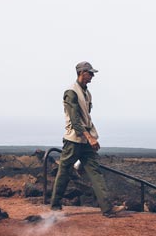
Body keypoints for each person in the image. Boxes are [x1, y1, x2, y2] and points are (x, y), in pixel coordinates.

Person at [49, 61, 128, 217]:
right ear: (81, 72)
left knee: (95, 171)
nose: (92, 76)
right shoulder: (71, 92)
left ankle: (107, 209)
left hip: (85, 140)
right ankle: (55, 206)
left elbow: (86, 117)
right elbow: (75, 119)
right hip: (73, 140)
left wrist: (90, 137)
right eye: (90, 73)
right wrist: (89, 137)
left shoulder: (86, 92)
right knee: (64, 171)